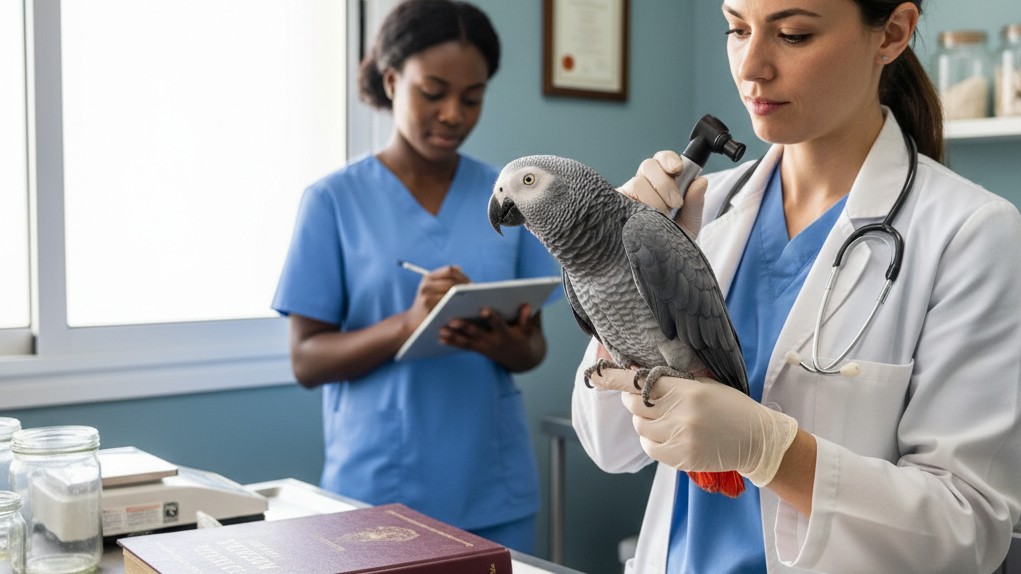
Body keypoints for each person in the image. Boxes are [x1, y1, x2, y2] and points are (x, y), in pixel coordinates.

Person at [572, 1, 1021, 572]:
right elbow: (610, 445)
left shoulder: (969, 233)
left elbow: (968, 531)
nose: (750, 66)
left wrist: (773, 452)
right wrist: (620, 275)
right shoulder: (700, 211)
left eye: (793, 34)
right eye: (736, 29)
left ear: (892, 33)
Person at [272, 0, 558, 553]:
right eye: (433, 92)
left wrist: (503, 343)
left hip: (493, 491)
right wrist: (409, 322)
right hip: (376, 496)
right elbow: (306, 360)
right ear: (391, 79)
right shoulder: (332, 202)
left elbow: (534, 349)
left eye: (471, 99)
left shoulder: (509, 197)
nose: (453, 113)